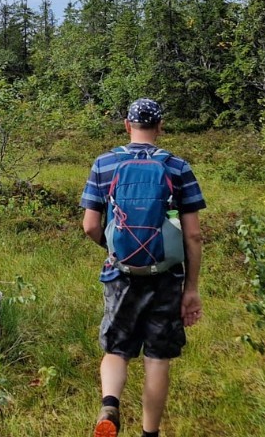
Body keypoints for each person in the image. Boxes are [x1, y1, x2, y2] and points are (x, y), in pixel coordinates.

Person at [80, 98, 205, 437]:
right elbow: (192, 235)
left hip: (120, 274)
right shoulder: (178, 168)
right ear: (160, 126)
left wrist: (114, 251)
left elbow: (90, 225)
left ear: (127, 125)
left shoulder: (104, 164)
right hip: (166, 276)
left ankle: (110, 404)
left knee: (116, 350)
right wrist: (191, 289)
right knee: (157, 357)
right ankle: (150, 433)